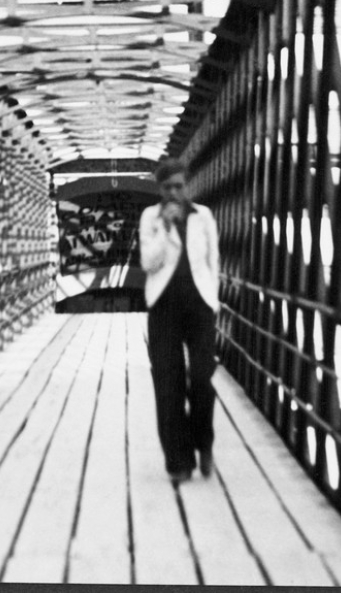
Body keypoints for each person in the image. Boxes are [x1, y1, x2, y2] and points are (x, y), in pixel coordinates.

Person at [139, 157, 220, 484]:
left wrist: (213, 298)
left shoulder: (204, 216)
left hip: (199, 304)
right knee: (168, 385)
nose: (174, 192)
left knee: (202, 378)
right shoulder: (151, 217)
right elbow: (148, 262)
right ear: (160, 189)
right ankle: (179, 461)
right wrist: (166, 229)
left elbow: (214, 260)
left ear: (188, 186)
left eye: (179, 186)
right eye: (168, 187)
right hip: (164, 307)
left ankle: (205, 444)